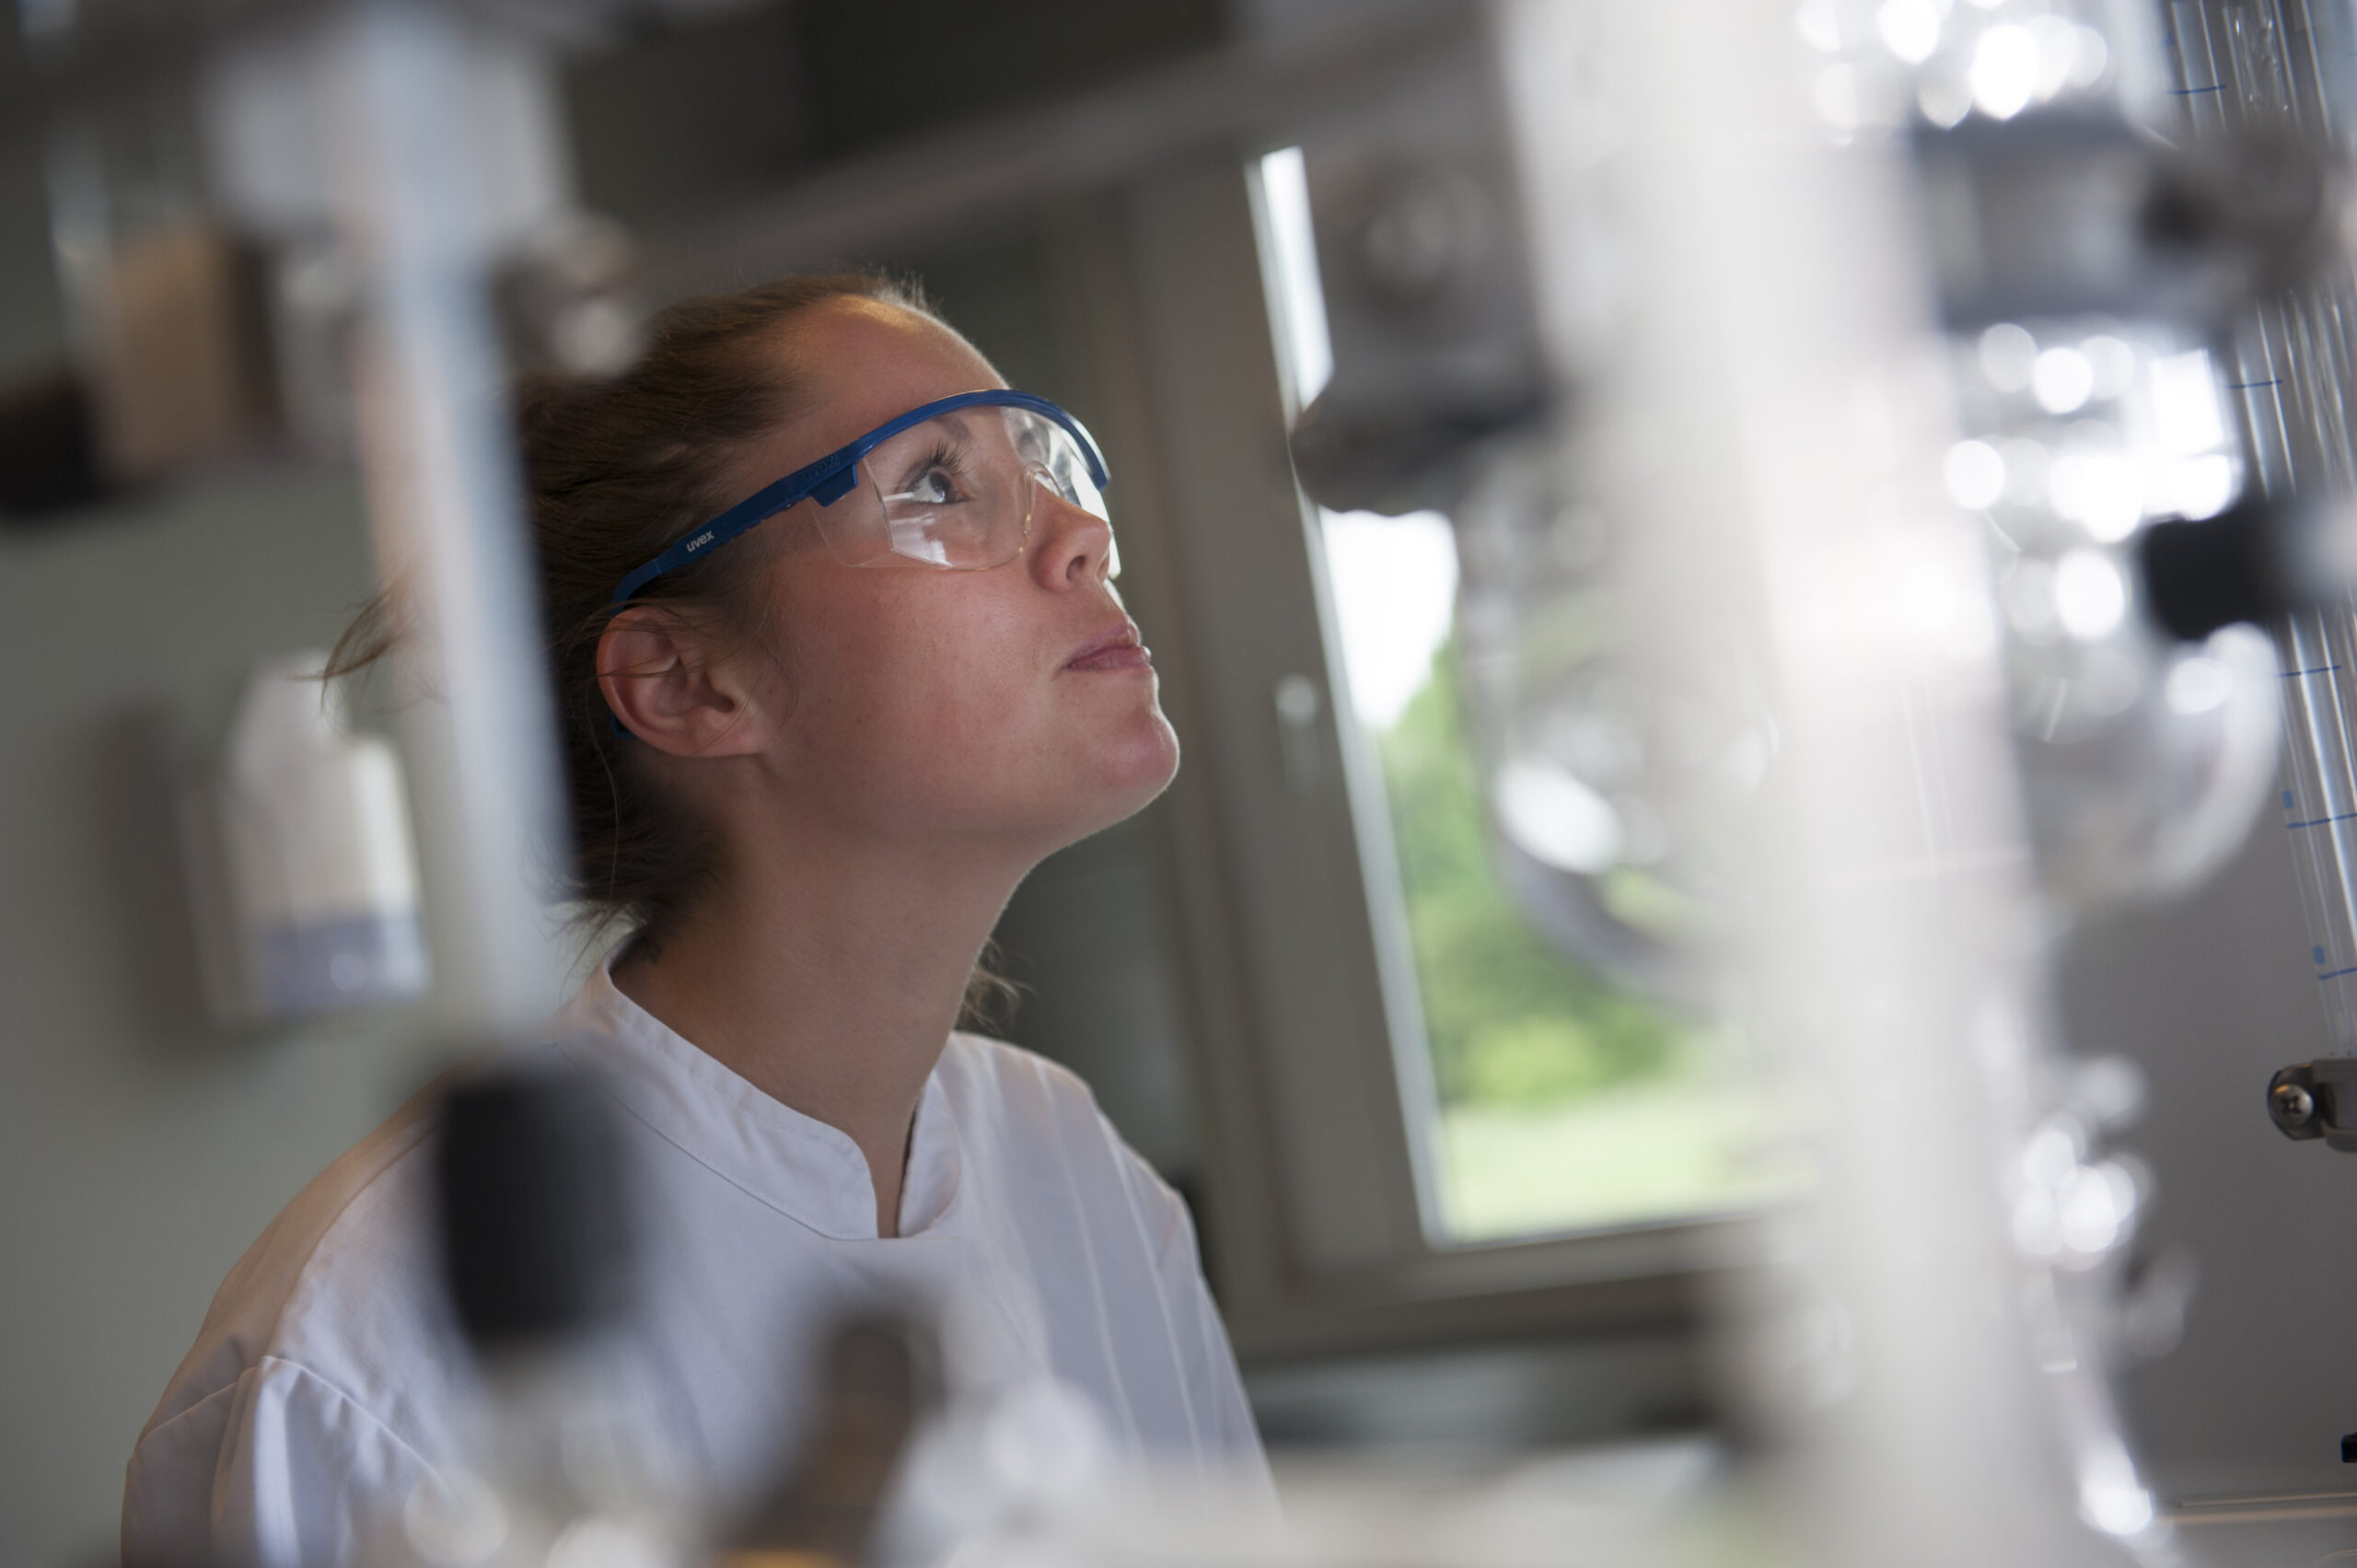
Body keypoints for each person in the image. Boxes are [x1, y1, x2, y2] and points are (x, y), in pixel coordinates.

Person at [121, 274, 1265, 1567]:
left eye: (1043, 463)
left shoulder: (1082, 1175)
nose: (1081, 538)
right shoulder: (370, 1354)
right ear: (686, 684)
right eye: (937, 484)